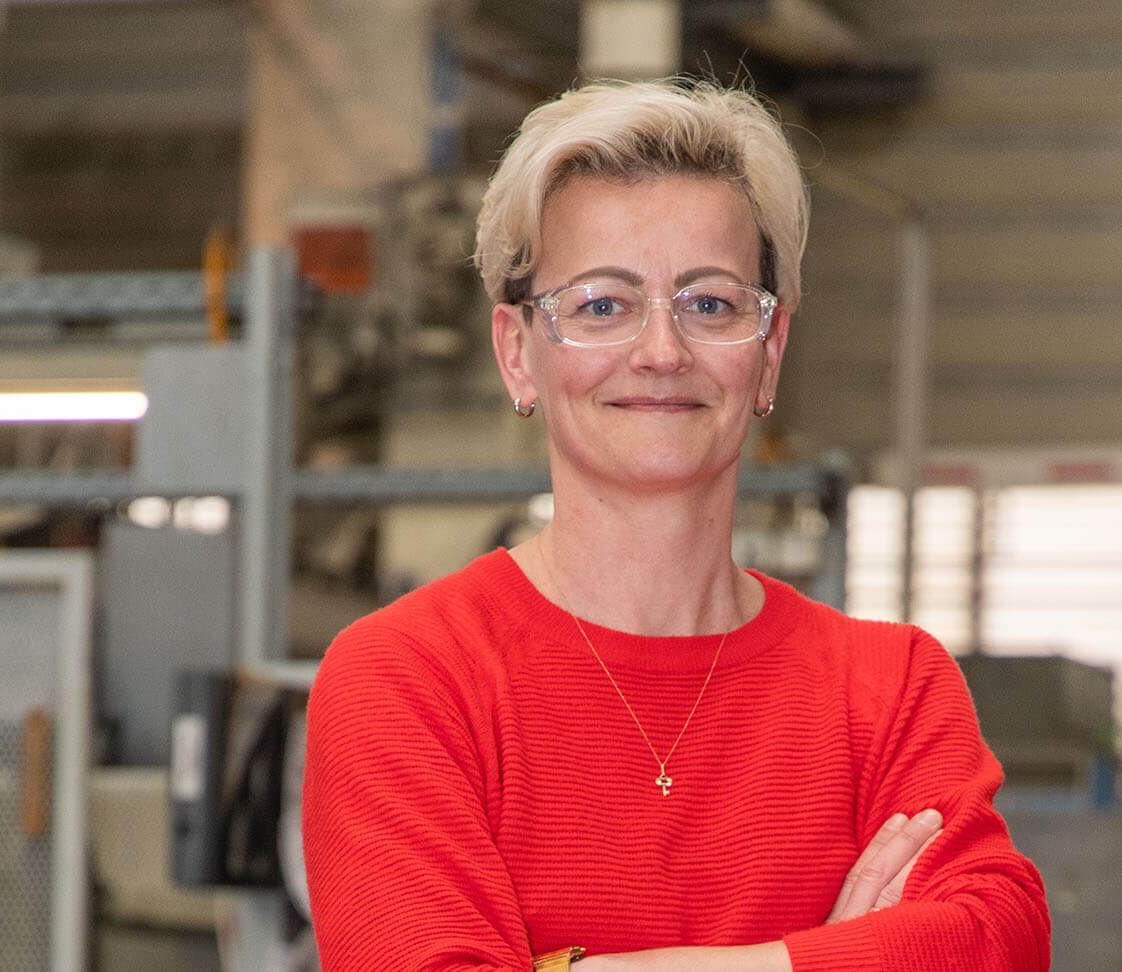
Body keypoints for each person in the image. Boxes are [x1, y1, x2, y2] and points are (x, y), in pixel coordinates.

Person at [302, 78, 1050, 971]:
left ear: (768, 353)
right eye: (601, 306)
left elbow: (999, 938)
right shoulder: (409, 680)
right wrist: (834, 957)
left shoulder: (889, 690)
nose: (661, 352)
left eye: (710, 304)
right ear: (518, 354)